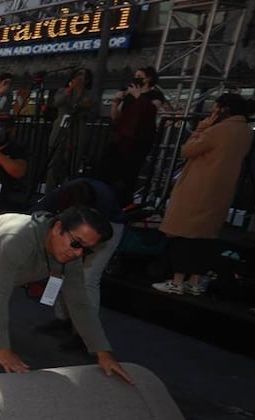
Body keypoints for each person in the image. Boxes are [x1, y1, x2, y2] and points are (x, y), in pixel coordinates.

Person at [0, 206, 134, 383]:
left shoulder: (70, 254)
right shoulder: (17, 239)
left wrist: (103, 353)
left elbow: (79, 302)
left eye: (87, 249)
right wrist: (3, 350)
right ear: (58, 227)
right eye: (76, 243)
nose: (78, 254)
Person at [152, 93, 254, 296]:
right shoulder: (246, 132)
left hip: (198, 187)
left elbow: (187, 150)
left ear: (223, 109)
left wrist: (201, 128)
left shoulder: (216, 130)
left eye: (215, 108)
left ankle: (177, 280)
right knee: (205, 237)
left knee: (183, 233)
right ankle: (195, 281)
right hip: (222, 190)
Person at [30, 178, 125, 347]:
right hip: (73, 228)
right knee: (60, 269)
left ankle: (84, 335)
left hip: (108, 226)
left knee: (88, 278)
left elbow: (103, 234)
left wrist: (79, 249)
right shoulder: (61, 194)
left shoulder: (104, 200)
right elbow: (32, 216)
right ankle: (63, 319)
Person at [102, 66, 166, 205]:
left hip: (139, 140)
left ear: (148, 78)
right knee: (110, 171)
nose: (135, 78)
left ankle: (124, 203)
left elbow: (149, 112)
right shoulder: (128, 95)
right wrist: (116, 102)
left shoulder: (155, 96)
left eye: (139, 75)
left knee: (129, 174)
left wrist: (138, 94)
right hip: (121, 137)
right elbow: (116, 116)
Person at [46, 67, 97, 190]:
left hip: (78, 130)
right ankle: (49, 191)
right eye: (78, 74)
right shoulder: (64, 90)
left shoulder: (89, 94)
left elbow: (90, 108)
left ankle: (67, 191)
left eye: (84, 75)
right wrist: (70, 89)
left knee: (72, 162)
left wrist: (80, 92)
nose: (80, 77)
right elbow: (57, 102)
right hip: (60, 128)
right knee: (54, 161)